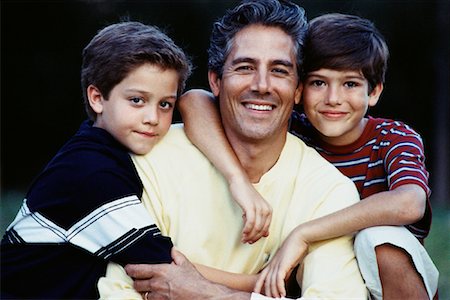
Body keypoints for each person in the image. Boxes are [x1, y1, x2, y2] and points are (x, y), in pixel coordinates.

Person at [99, 1, 367, 299]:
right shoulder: (151, 159)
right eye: (245, 67)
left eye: (279, 71)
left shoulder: (328, 191)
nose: (262, 85)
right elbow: (119, 290)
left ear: (298, 90)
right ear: (216, 80)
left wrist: (208, 294)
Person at [175, 13, 439, 299]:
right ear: (299, 90)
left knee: (379, 238)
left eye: (350, 84)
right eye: (318, 83)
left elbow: (410, 203)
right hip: (312, 272)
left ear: (374, 92)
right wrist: (236, 178)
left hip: (383, 281)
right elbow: (194, 101)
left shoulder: (392, 137)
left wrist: (304, 233)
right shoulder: (295, 126)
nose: (333, 98)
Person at [0, 21, 192, 299]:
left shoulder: (100, 149)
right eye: (137, 100)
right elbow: (169, 271)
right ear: (97, 98)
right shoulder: (90, 173)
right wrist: (259, 282)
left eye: (165, 104)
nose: (153, 118)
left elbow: (197, 102)